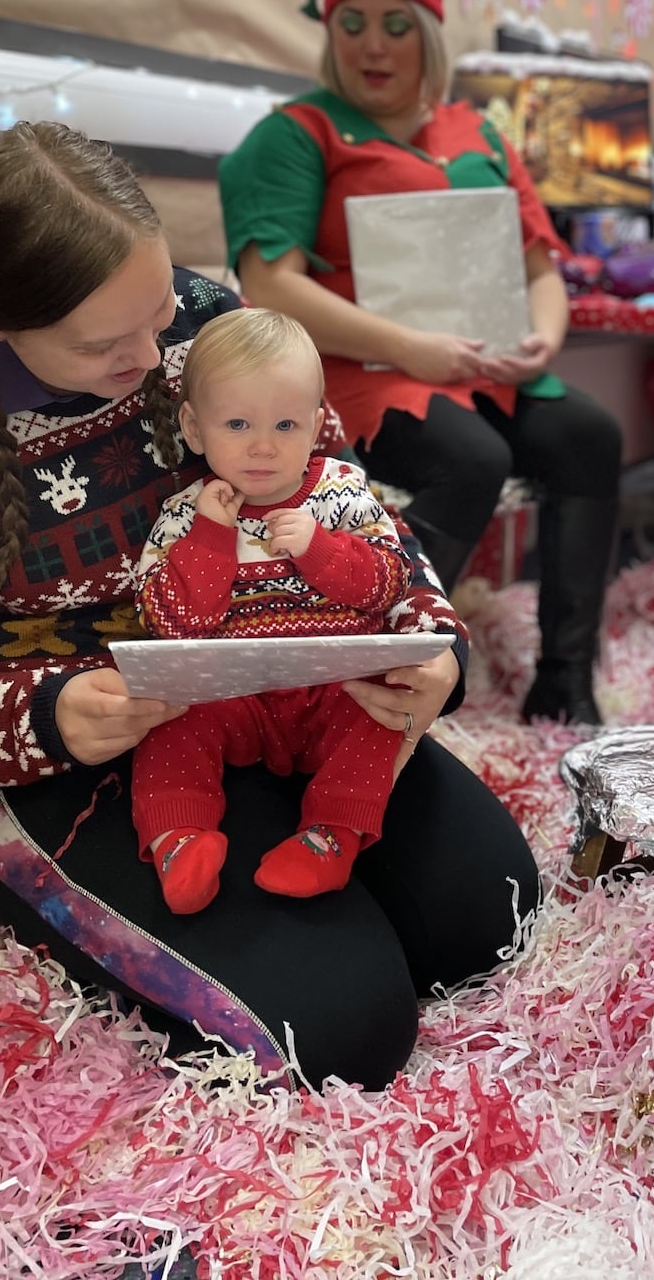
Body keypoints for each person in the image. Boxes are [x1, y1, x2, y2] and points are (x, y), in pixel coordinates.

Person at [0, 120, 540, 1091]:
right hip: (68, 758)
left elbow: (341, 492)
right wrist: (46, 716)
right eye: (105, 342)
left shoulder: (209, 320)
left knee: (489, 915)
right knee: (342, 1028)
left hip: (278, 691)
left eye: (161, 303)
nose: (157, 344)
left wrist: (431, 648)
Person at [218, 0, 623, 726]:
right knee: (467, 458)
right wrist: (411, 347)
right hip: (365, 371)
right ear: (330, 32)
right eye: (353, 23)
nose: (373, 44)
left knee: (593, 435)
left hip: (483, 363)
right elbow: (271, 285)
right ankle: (362, 669)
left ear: (427, 33)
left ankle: (567, 681)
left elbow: (539, 265)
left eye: (396, 24)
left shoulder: (479, 130)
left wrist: (543, 334)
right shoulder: (298, 134)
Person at [132, 307, 421, 914]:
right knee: (171, 717)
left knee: (381, 717)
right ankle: (177, 838)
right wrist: (212, 538)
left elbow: (390, 583)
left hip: (333, 688)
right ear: (194, 425)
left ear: (316, 424)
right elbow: (172, 624)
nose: (263, 446)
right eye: (237, 424)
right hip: (234, 697)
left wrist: (320, 548)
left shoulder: (340, 489)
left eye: (286, 425)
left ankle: (331, 838)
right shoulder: (187, 513)